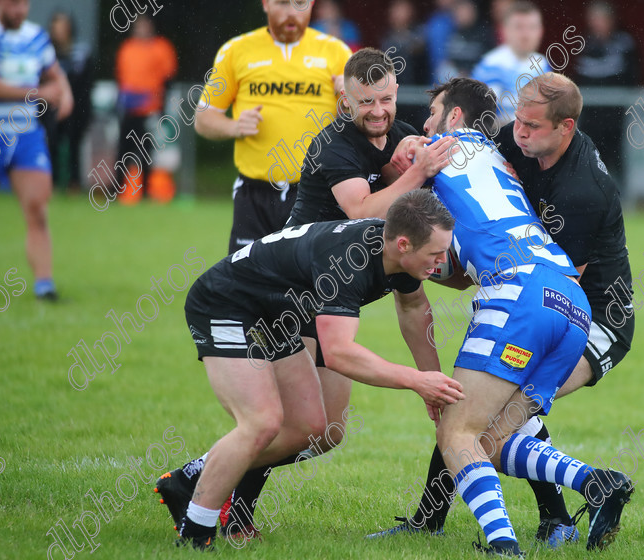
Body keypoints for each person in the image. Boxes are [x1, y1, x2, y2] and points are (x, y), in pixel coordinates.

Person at [157, 48, 457, 540]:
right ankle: (224, 514)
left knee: (325, 431)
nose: (378, 111)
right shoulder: (333, 145)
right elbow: (362, 208)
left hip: (324, 289)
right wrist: (417, 172)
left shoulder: (402, 141)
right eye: (365, 102)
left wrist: (432, 379)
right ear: (345, 98)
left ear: (396, 93)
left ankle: (197, 476)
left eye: (385, 99)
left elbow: (412, 301)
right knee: (276, 423)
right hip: (297, 292)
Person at [372, 73, 635, 550]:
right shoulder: (498, 150)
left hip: (575, 309)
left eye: (430, 117)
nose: (521, 131)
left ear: (452, 117)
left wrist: (407, 149)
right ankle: (596, 484)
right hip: (568, 301)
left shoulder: (446, 148)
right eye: (520, 120)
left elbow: (382, 191)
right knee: (488, 437)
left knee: (460, 428)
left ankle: (502, 544)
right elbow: (462, 249)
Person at [173, 190, 465, 550]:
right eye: (436, 254)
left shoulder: (397, 255)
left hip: (278, 314)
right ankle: (194, 534)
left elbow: (414, 309)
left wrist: (433, 384)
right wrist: (417, 381)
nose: (441, 263)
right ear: (403, 245)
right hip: (226, 305)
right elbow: (339, 352)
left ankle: (191, 478)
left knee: (314, 429)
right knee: (262, 422)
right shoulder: (349, 261)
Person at [194, 0, 351, 255]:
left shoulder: (337, 52)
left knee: (309, 286)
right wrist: (234, 126)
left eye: (300, 3)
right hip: (254, 196)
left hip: (316, 193)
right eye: (282, 3)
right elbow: (203, 119)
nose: (291, 12)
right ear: (266, 4)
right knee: (246, 285)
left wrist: (349, 98)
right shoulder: (236, 51)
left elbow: (365, 122)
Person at [0, 0, 73, 301]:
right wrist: (39, 93)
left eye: (23, 4)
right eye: (12, 4)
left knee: (37, 209)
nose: (19, 10)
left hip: (27, 134)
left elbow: (54, 73)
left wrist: (65, 93)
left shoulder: (36, 36)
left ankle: (44, 285)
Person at [573, 1, 638, 181]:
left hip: (616, 114)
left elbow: (632, 75)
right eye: (594, 19)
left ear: (611, 20)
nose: (597, 23)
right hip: (590, 114)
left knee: (617, 155)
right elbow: (578, 77)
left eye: (601, 19)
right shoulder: (584, 44)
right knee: (590, 154)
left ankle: (621, 194)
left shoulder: (624, 43)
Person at [114, 14, 177, 202]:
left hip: (149, 107)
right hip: (129, 107)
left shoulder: (161, 47)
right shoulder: (127, 47)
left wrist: (161, 106)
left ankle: (145, 192)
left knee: (145, 153)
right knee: (123, 151)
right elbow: (121, 77)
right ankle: (119, 191)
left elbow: (168, 78)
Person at [471, 1, 549, 124]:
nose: (526, 34)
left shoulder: (543, 65)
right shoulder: (491, 64)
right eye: (519, 27)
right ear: (504, 30)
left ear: (541, 31)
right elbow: (482, 116)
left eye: (532, 27)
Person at [46, 11, 92, 193]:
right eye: (56, 25)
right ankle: (53, 183)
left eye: (63, 25)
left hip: (77, 109)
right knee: (53, 143)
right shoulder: (47, 53)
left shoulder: (82, 52)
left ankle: (74, 184)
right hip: (52, 107)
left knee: (74, 145)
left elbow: (87, 86)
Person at [437, 0, 493, 80]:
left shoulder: (485, 34)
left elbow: (488, 60)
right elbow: (450, 59)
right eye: (459, 12)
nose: (462, 15)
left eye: (466, 11)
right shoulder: (452, 33)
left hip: (477, 77)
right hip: (456, 77)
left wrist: (469, 71)